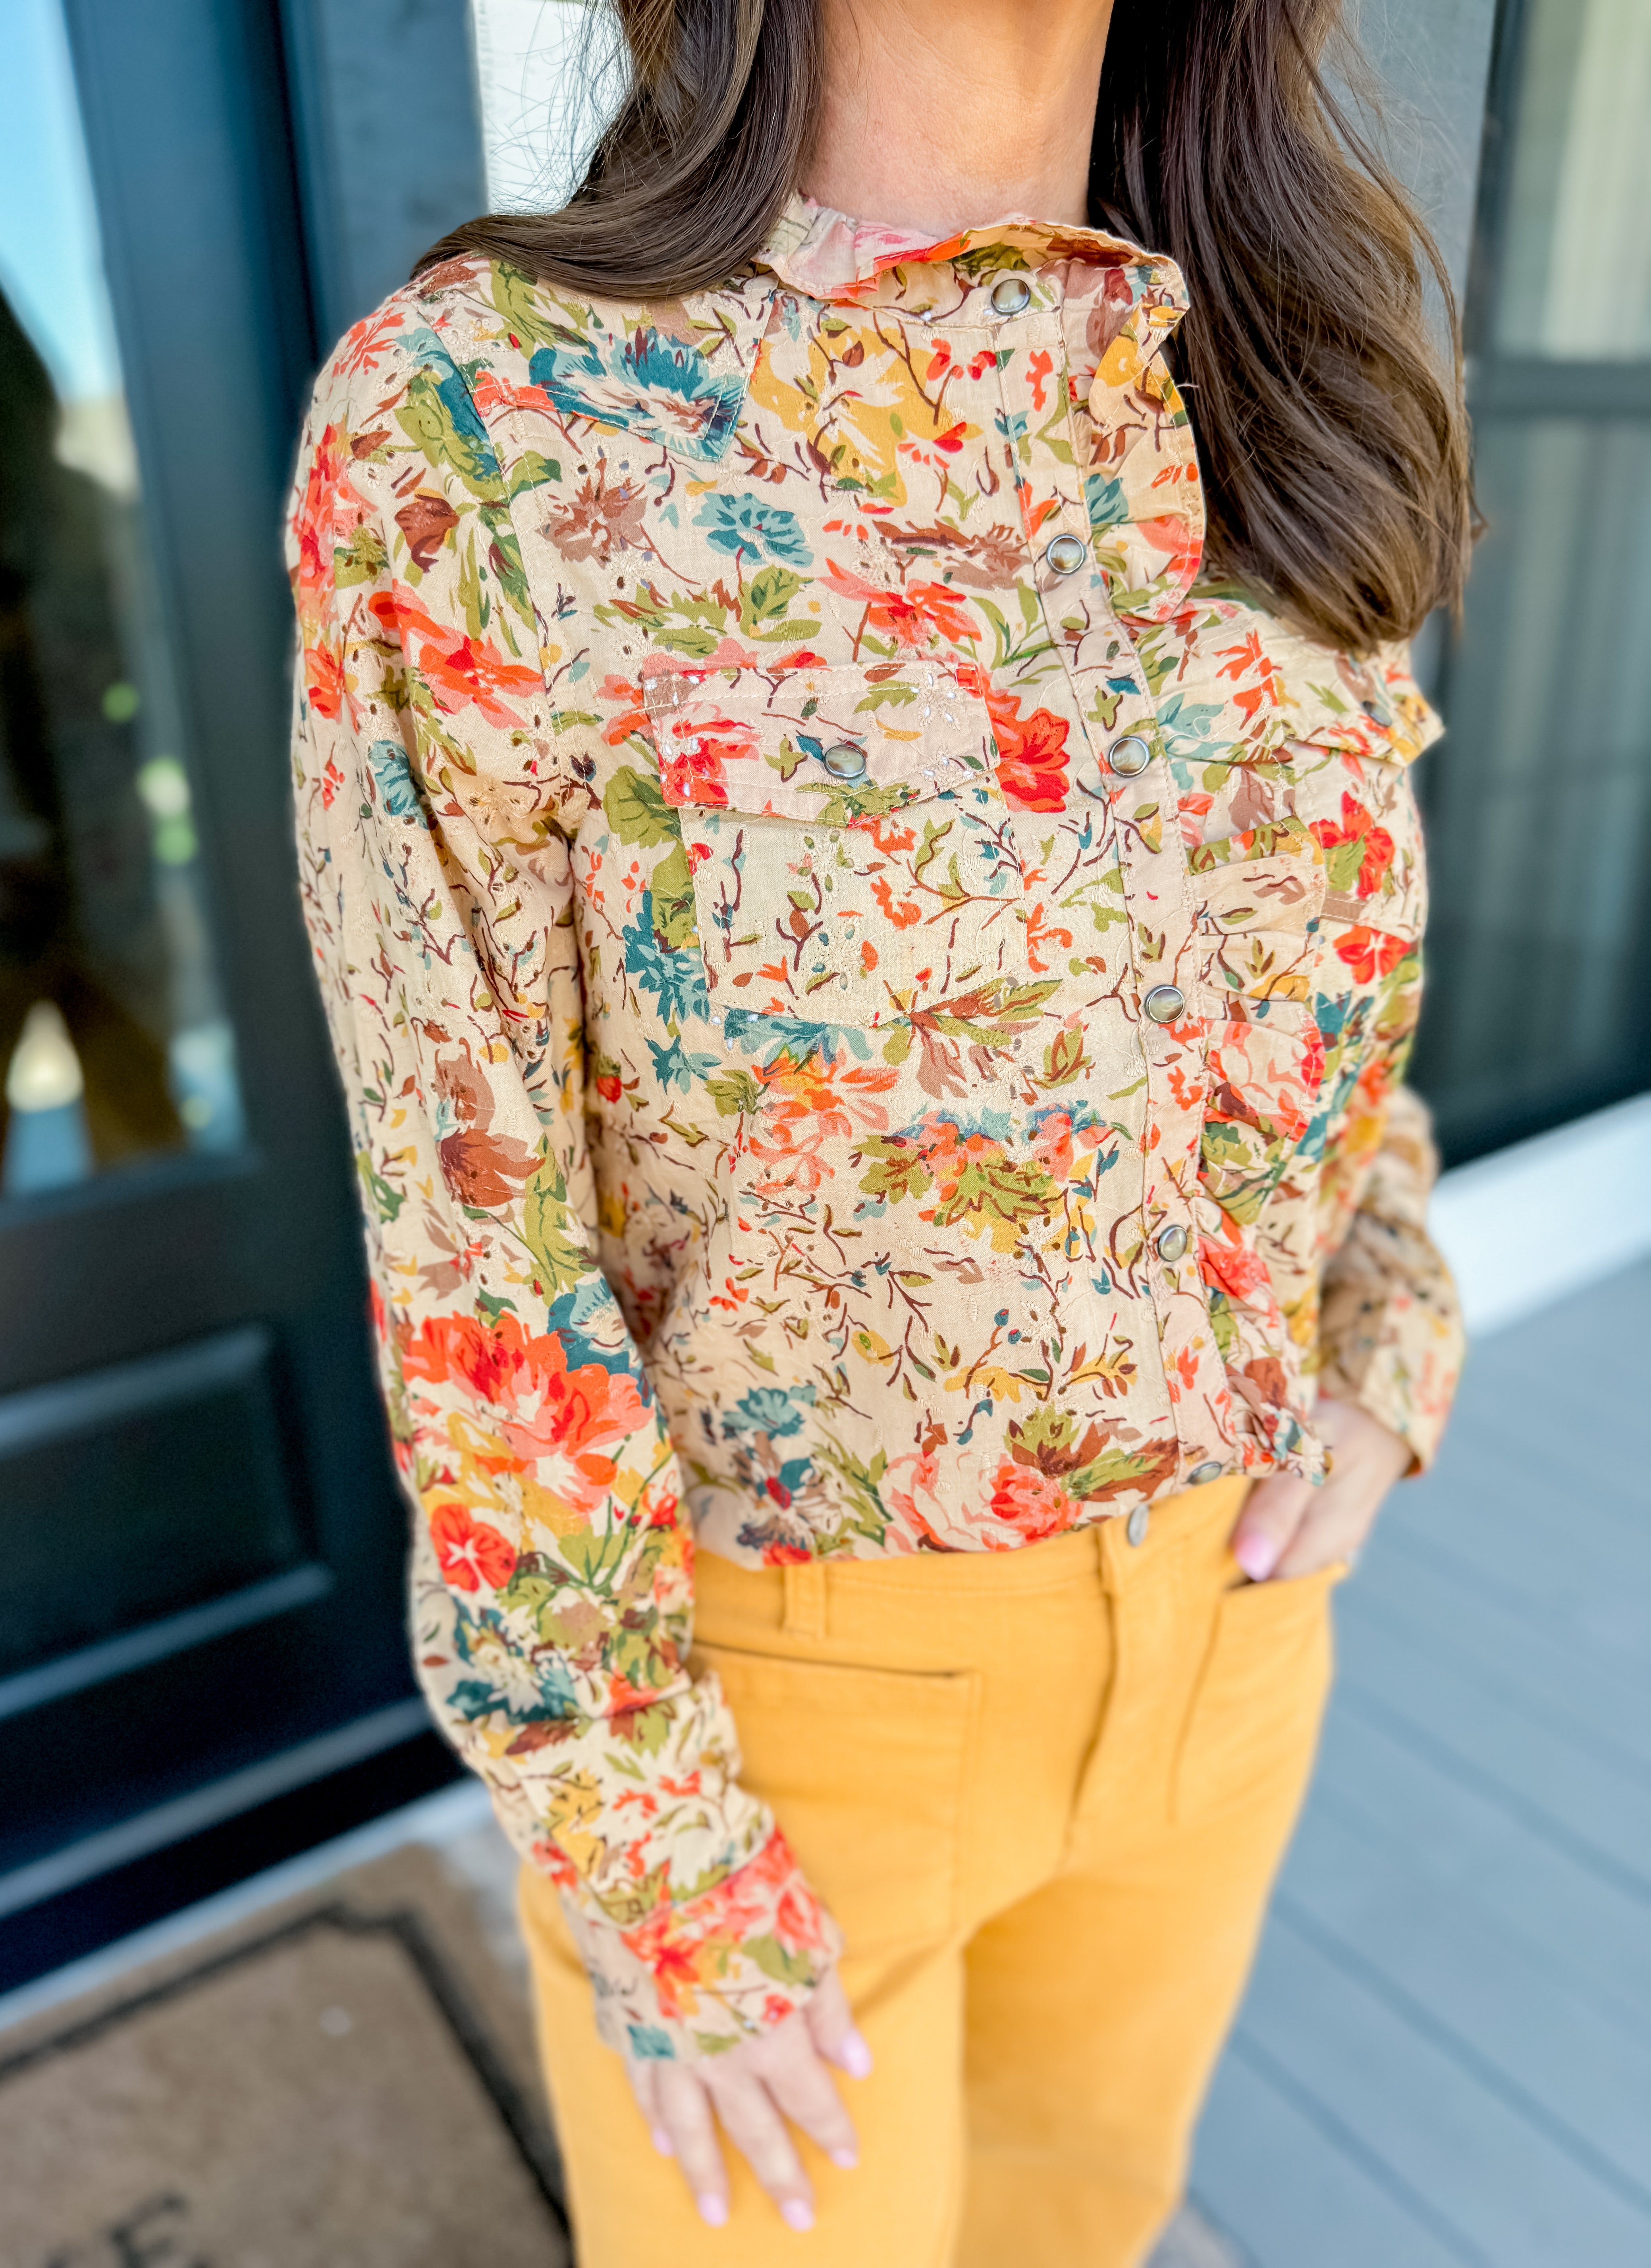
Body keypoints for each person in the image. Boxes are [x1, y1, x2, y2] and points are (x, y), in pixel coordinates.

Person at [287, 1, 1471, 2258]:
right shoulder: (493, 422)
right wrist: (650, 1846)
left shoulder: (1292, 367)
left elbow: (1336, 1030)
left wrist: (1383, 1319)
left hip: (1232, 1641)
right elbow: (474, 1244)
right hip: (789, 1724)